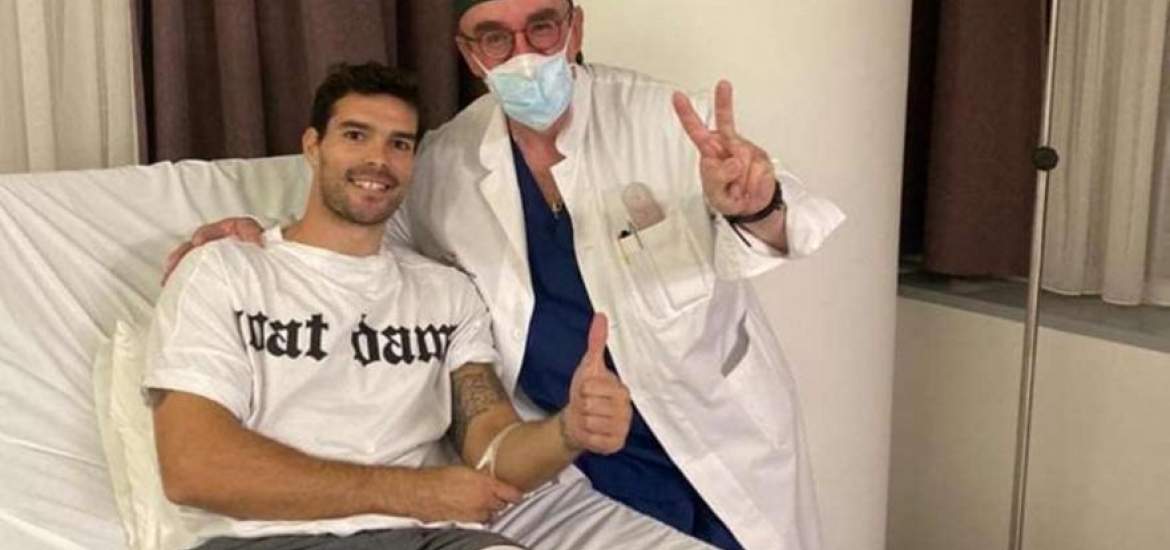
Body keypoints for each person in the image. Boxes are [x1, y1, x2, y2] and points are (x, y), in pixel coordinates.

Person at [168, 1, 845, 548]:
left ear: (575, 28)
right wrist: (258, 233)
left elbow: (788, 219)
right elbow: (360, 224)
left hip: (714, 432)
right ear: (470, 54)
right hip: (568, 452)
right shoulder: (447, 160)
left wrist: (756, 205)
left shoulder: (666, 119)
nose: (522, 53)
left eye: (541, 26)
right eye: (494, 36)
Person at [146, 62, 671, 550]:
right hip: (264, 539)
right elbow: (194, 467)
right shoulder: (225, 271)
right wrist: (415, 492)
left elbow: (493, 452)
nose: (378, 159)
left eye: (399, 143)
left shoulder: (446, 294)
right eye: (356, 135)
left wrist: (568, 431)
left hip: (426, 538)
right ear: (312, 146)